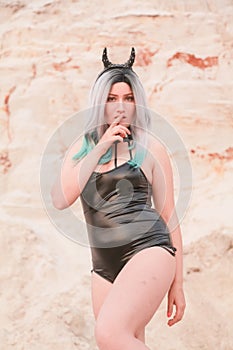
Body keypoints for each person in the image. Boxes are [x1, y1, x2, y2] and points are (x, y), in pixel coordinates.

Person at [51, 47, 186, 350]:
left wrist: (178, 283)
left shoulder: (151, 148)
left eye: (128, 98)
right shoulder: (81, 148)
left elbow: (169, 215)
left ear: (138, 104)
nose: (120, 107)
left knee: (110, 334)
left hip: (149, 249)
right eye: (112, 99)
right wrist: (99, 147)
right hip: (104, 267)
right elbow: (61, 199)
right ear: (100, 104)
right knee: (121, 342)